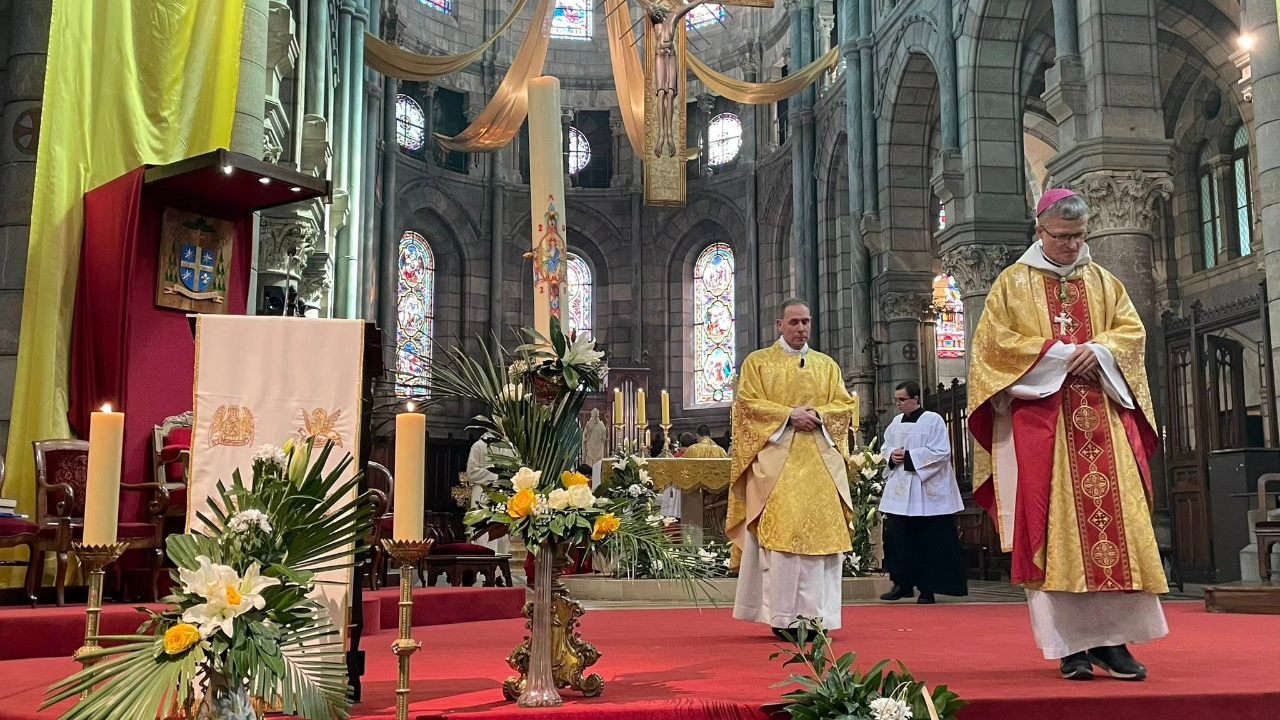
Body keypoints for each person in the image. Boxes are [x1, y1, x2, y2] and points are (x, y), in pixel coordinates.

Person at [968, 188, 1167, 681]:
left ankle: (1113, 642)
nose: (1073, 245)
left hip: (1103, 422)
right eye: (1062, 237)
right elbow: (992, 348)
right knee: (1054, 533)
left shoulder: (1103, 282)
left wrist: (1099, 350)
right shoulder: (1012, 284)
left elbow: (1131, 333)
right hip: (1045, 428)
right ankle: (1069, 647)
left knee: (1119, 527)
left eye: (1079, 236)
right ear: (1040, 231)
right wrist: (1058, 355)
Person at [727, 298, 858, 638]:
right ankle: (783, 618)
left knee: (822, 544)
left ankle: (819, 619)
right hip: (777, 466)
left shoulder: (827, 366)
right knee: (782, 542)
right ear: (780, 325)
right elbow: (746, 405)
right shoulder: (758, 362)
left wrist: (819, 415)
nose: (801, 328)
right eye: (794, 322)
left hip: (820, 463)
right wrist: (788, 415)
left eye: (806, 321)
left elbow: (844, 404)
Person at [877, 381, 967, 605]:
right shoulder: (895, 422)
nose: (898, 404)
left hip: (926, 491)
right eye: (896, 400)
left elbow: (941, 452)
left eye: (902, 399)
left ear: (915, 399)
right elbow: (886, 447)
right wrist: (892, 455)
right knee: (898, 539)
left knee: (927, 541)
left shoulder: (933, 420)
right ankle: (902, 584)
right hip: (900, 491)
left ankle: (928, 589)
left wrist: (908, 457)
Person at [633, 0, 716, 157]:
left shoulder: (673, 16)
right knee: (661, 94)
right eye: (652, 11)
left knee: (670, 94)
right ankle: (661, 136)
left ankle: (670, 135)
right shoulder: (653, 15)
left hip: (671, 56)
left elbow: (689, 6)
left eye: (655, 10)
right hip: (659, 56)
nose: (654, 12)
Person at [464, 433, 511, 554]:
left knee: (502, 538)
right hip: (482, 494)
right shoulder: (479, 446)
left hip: (503, 495)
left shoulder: (509, 446)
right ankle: (482, 565)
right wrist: (497, 475)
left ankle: (501, 565)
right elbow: (471, 472)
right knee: (483, 536)